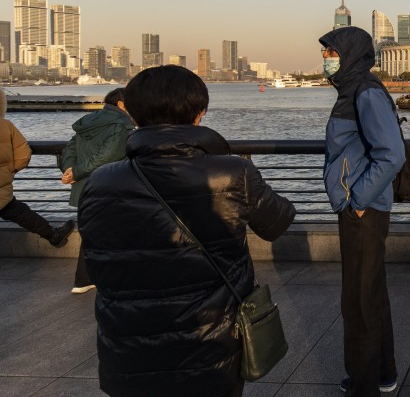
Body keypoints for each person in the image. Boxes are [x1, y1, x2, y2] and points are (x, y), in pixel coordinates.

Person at [77, 65, 295, 397]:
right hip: (209, 341)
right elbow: (277, 223)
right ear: (199, 113)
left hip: (127, 345)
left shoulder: (100, 181)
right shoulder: (233, 172)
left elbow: (96, 254)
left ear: (133, 116)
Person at [320, 26, 403, 396]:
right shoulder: (356, 89)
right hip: (367, 208)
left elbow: (392, 154)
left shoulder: (364, 92)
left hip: (363, 211)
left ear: (351, 53)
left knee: (357, 301)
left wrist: (357, 201)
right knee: (371, 293)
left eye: (331, 51)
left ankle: (363, 385)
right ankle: (383, 374)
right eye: (325, 52)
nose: (326, 58)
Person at [60, 87, 134, 294]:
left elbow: (69, 149)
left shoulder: (89, 121)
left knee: (92, 232)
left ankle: (83, 280)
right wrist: (75, 172)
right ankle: (114, 278)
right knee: (118, 231)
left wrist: (70, 170)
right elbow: (108, 156)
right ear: (121, 104)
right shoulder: (122, 125)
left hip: (84, 188)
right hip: (110, 187)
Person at [1, 89, 74, 247]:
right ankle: (53, 235)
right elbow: (23, 154)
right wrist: (10, 170)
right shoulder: (6, 126)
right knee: (20, 212)